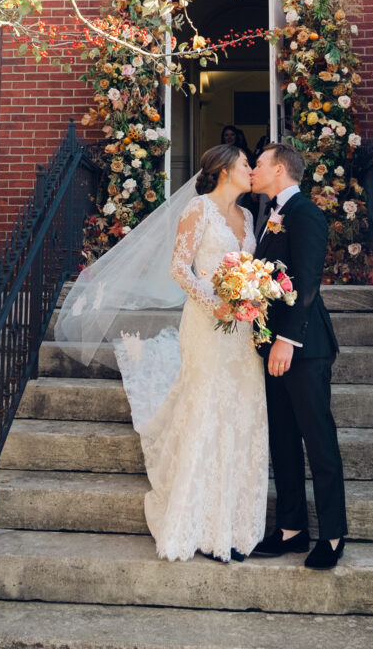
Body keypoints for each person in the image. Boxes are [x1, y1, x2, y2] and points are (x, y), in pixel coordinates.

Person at [69, 144, 268, 563]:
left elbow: (250, 268)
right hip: (206, 323)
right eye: (246, 164)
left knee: (241, 411)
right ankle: (197, 522)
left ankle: (234, 524)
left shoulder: (249, 217)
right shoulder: (197, 210)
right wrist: (214, 302)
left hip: (242, 329)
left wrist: (252, 299)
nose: (252, 169)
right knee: (208, 408)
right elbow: (180, 268)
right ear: (225, 169)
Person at [250, 143, 348, 570]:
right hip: (271, 343)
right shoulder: (271, 215)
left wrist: (288, 340)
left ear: (279, 170)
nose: (252, 170)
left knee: (317, 438)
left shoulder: (305, 213)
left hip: (302, 348)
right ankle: (290, 528)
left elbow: (308, 281)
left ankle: (332, 533)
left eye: (258, 164)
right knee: (283, 439)